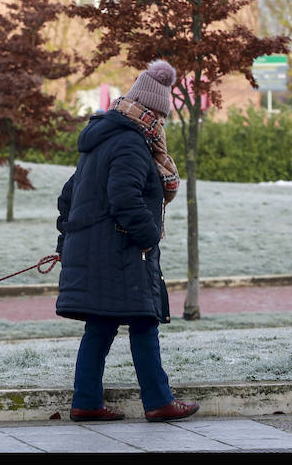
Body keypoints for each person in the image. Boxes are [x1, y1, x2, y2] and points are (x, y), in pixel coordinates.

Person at [55, 59, 199, 423]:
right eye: (161, 117)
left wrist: (67, 239)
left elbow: (68, 195)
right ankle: (158, 402)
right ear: (152, 112)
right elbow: (125, 199)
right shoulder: (132, 144)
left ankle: (86, 401)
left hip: (97, 247)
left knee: (101, 324)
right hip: (120, 250)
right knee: (144, 320)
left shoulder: (101, 137)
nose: (162, 125)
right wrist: (149, 237)